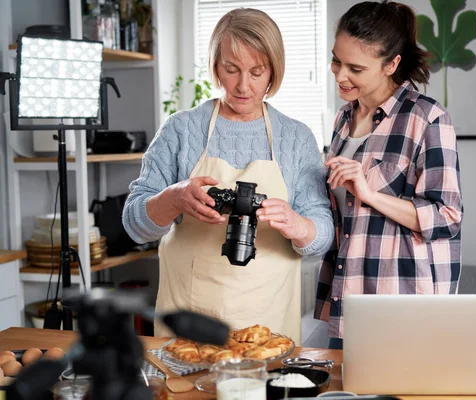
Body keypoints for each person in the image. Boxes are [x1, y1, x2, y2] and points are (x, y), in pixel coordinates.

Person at [123, 8, 333, 343]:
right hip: (189, 326)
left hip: (269, 329)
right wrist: (174, 198)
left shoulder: (296, 138)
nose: (243, 86)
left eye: (257, 72)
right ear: (215, 66)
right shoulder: (182, 129)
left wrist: (299, 225)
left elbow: (322, 233)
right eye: (231, 69)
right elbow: (135, 226)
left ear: (273, 71)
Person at [314, 0, 463, 349]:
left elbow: (448, 217)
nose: (339, 75)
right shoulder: (342, 120)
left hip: (400, 302)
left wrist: (370, 194)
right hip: (347, 298)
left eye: (355, 67)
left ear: (391, 64)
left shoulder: (427, 119)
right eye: (336, 60)